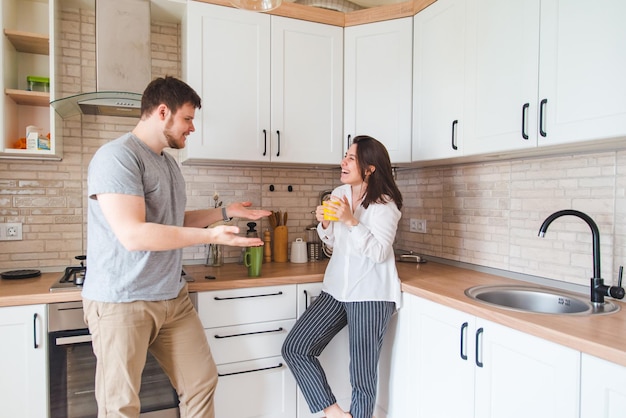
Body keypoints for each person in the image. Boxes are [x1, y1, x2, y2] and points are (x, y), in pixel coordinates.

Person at [82, 75, 271, 418]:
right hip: (123, 300)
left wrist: (225, 212)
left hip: (171, 298)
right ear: (162, 112)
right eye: (187, 119)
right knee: (120, 406)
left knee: (201, 381)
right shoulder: (117, 157)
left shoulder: (168, 163)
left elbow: (172, 220)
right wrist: (211, 236)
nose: (192, 128)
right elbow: (134, 234)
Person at [282, 135, 403, 418]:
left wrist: (351, 221)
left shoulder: (386, 204)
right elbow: (333, 243)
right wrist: (325, 224)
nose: (343, 162)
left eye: (350, 157)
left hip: (371, 295)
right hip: (336, 290)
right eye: (345, 156)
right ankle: (334, 412)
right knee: (296, 348)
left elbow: (380, 252)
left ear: (370, 167)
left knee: (362, 378)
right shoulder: (339, 193)